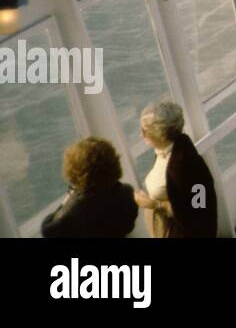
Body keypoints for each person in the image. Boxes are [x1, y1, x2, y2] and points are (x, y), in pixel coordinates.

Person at [133, 100, 218, 238]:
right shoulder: (167, 150)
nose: (141, 135)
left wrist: (154, 204)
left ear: (160, 134)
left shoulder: (188, 165)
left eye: (144, 131)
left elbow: (199, 208)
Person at [41, 137, 138, 238]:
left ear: (75, 170)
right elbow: (129, 226)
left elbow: (47, 230)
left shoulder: (75, 211)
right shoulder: (127, 193)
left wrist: (65, 202)